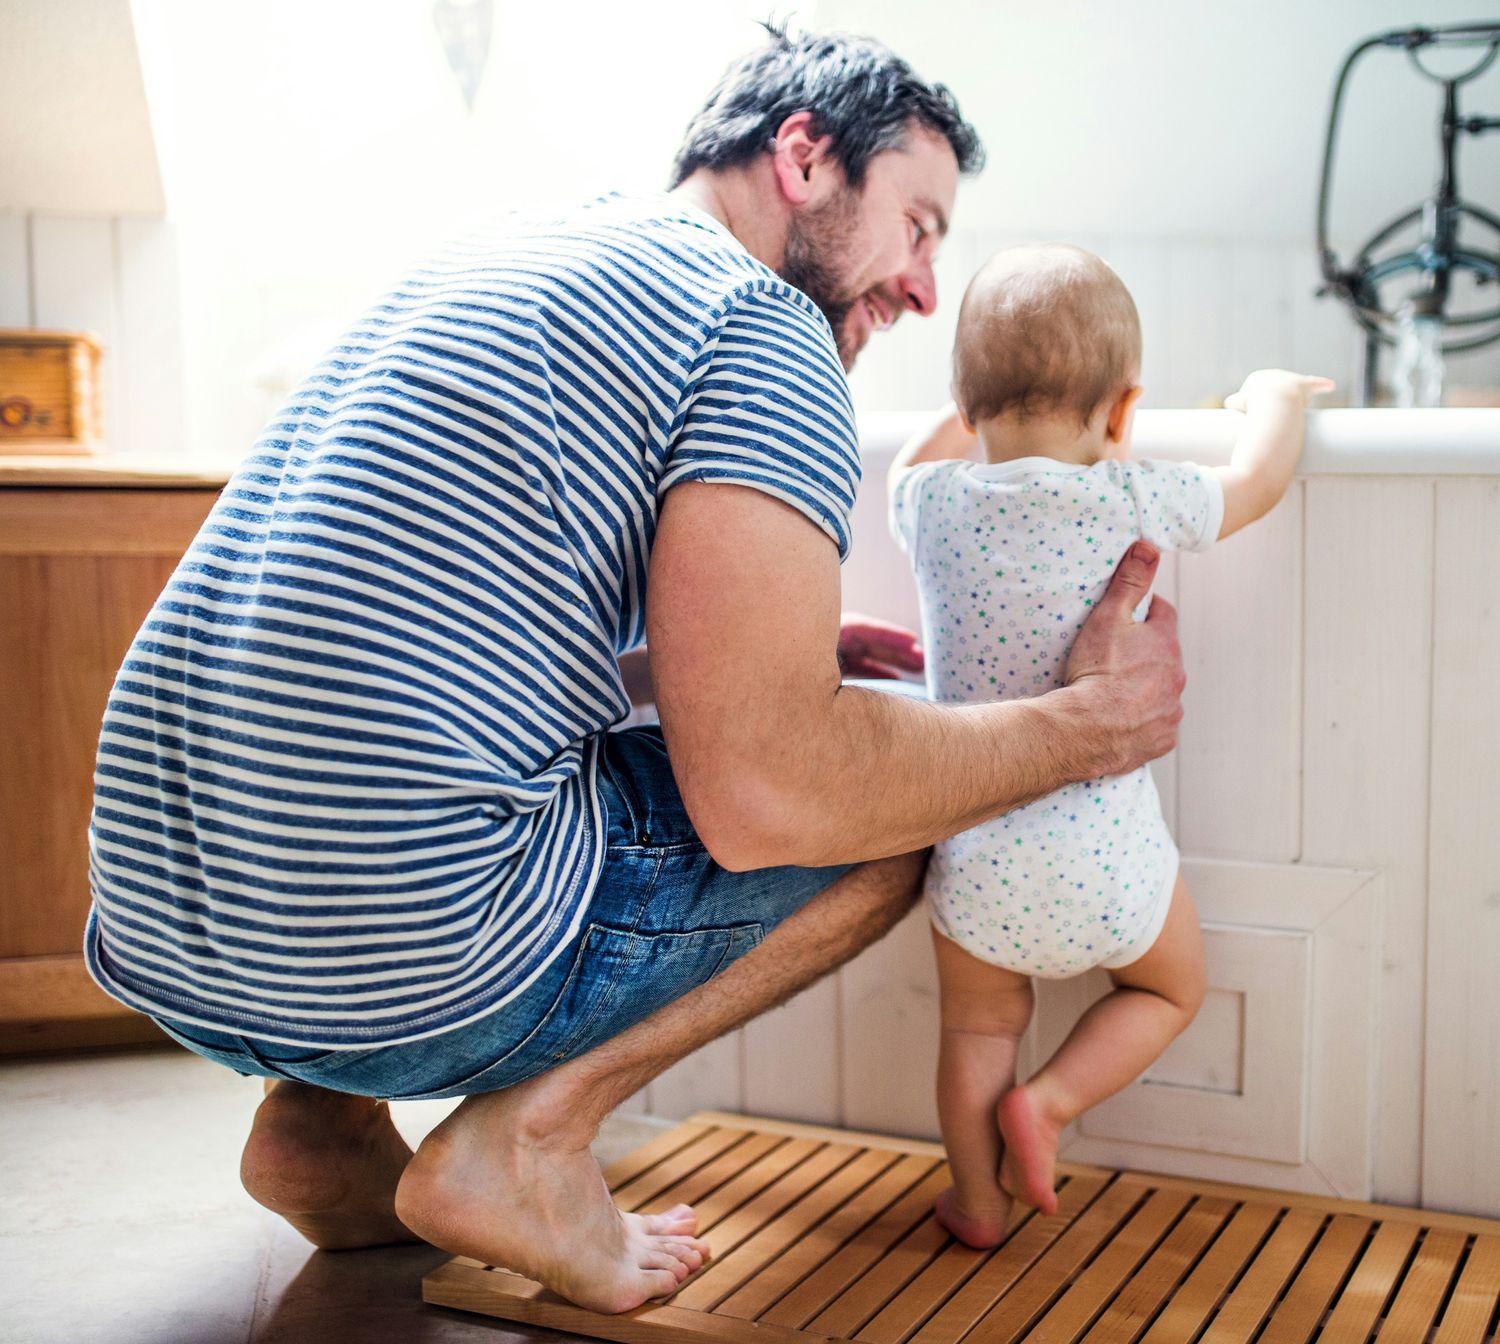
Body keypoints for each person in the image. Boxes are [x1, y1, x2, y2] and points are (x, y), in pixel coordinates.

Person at [81, 30, 1186, 1314]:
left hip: (165, 929)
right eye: (919, 224)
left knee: (440, 752)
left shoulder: (507, 250)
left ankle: (316, 1125)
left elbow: (446, 628)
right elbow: (773, 792)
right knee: (891, 809)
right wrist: (1083, 725)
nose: (928, 289)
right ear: (805, 155)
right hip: (400, 953)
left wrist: (735, 663)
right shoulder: (759, 323)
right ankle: (530, 1143)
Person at [886, 244, 1331, 1248]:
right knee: (1172, 988)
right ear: (1123, 413)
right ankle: (1046, 1106)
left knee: (976, 1029)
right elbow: (1257, 482)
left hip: (976, 858)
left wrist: (970, 402)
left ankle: (978, 1202)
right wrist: (1273, 397)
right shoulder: (1133, 497)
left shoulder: (932, 504)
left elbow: (911, 463)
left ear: (967, 400)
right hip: (1108, 863)